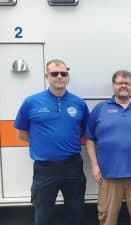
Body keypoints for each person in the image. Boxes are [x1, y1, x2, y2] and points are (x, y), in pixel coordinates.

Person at [14, 59, 89, 225]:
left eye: (63, 73)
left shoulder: (79, 103)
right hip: (45, 169)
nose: (59, 77)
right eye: (55, 74)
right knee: (43, 214)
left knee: (76, 213)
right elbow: (21, 133)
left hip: (73, 167)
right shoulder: (31, 102)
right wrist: (44, 144)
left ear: (68, 76)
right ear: (47, 76)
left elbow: (83, 131)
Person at [85, 70, 131, 225]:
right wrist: (94, 165)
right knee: (107, 218)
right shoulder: (100, 109)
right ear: (113, 86)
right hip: (109, 174)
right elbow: (90, 139)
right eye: (120, 83)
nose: (123, 86)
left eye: (127, 83)